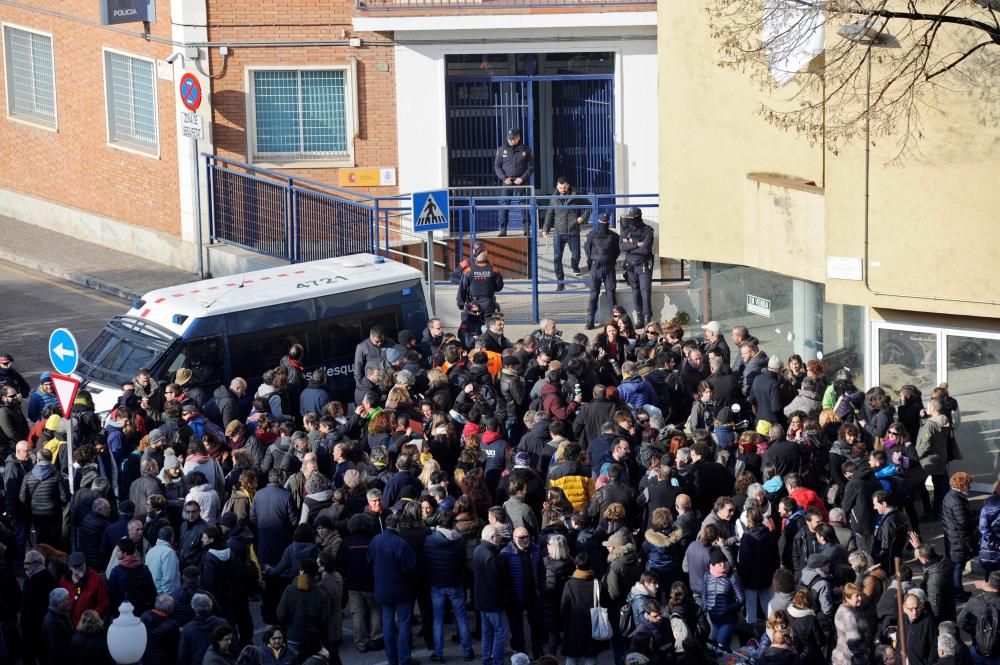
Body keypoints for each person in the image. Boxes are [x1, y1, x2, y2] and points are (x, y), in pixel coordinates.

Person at [424, 510, 475, 662]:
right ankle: (467, 651)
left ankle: (438, 653)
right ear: (452, 523)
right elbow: (462, 560)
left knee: (438, 620)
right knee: (461, 618)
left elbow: (427, 560)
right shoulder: (459, 541)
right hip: (455, 583)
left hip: (437, 583)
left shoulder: (429, 540)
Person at [369, 512, 417, 665]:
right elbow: (410, 567)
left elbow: (369, 561)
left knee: (388, 623)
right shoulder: (401, 543)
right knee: (403, 623)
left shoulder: (376, 540)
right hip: (401, 589)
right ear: (398, 525)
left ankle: (392, 659)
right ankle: (404, 658)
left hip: (382, 588)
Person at [542, 176, 591, 290]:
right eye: (560, 188)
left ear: (568, 186)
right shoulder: (554, 198)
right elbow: (549, 214)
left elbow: (589, 206)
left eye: (564, 187)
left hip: (573, 231)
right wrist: (545, 229)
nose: (562, 190)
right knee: (557, 258)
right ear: (556, 187)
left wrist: (583, 218)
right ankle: (560, 282)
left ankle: (574, 266)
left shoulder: (576, 195)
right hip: (559, 232)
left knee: (576, 255)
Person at [561, 552, 607, 665]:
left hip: (574, 626)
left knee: (572, 658)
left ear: (576, 566)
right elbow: (604, 603)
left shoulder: (569, 584)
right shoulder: (598, 584)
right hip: (593, 626)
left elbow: (563, 608)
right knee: (591, 658)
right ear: (591, 566)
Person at [474, 524, 509, 665]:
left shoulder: (478, 550)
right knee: (501, 632)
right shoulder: (491, 555)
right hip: (493, 602)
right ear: (493, 537)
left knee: (487, 631)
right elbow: (495, 582)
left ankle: (486, 658)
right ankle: (497, 661)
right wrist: (503, 600)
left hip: (481, 599)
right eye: (499, 536)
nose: (501, 539)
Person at [942, 471, 976, 599]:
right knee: (958, 567)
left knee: (956, 566)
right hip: (958, 540)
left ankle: (957, 591)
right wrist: (979, 517)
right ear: (962, 485)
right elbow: (963, 523)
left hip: (952, 537)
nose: (970, 487)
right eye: (968, 485)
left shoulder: (951, 496)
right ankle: (958, 593)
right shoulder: (956, 501)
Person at [618, 207, 654, 328]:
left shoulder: (648, 230)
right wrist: (637, 243)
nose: (632, 220)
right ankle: (639, 318)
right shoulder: (627, 229)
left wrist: (630, 244)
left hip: (643, 265)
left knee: (645, 292)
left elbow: (646, 249)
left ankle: (647, 317)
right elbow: (622, 246)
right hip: (630, 267)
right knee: (635, 291)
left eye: (634, 218)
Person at [494, 127, 533, 236]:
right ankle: (503, 229)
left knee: (524, 206)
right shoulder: (501, 150)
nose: (510, 140)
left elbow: (531, 167)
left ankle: (526, 229)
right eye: (509, 138)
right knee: (503, 206)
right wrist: (504, 178)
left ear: (518, 137)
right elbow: (497, 166)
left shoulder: (526, 150)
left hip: (521, 182)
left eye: (513, 138)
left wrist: (522, 178)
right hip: (507, 182)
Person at [584, 212, 620, 329]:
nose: (604, 223)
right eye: (603, 221)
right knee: (596, 293)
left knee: (610, 294)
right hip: (599, 267)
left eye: (605, 221)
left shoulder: (612, 236)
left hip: (604, 267)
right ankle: (591, 320)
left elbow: (616, 251)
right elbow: (588, 251)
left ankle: (612, 320)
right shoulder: (593, 235)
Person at [58, 551, 109, 627]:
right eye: (76, 567)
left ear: (85, 564)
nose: (79, 570)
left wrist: (91, 618)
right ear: (70, 567)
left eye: (81, 566)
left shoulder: (96, 580)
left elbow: (103, 603)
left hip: (90, 627)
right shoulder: (64, 582)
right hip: (71, 627)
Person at [178, 593, 230, 665]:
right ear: (210, 606)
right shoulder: (223, 623)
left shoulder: (188, 628)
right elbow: (232, 646)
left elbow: (182, 654)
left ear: (194, 608)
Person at [457, 242, 504, 319]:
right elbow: (499, 287)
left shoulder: (468, 270)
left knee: (473, 328)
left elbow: (462, 289)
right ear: (486, 253)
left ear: (475, 253)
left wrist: (460, 305)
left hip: (473, 304)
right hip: (489, 303)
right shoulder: (493, 269)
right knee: (489, 326)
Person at [832, 583, 872, 665]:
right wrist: (863, 657)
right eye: (857, 596)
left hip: (842, 655)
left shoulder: (846, 608)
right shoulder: (849, 615)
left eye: (860, 595)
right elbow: (853, 642)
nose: (860, 598)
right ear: (847, 597)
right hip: (850, 659)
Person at [141, 595, 182, 665]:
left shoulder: (145, 615)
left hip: (146, 658)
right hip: (164, 660)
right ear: (170, 608)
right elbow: (175, 646)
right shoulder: (171, 625)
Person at [899, 591, 937, 665]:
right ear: (904, 608)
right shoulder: (902, 619)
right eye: (911, 609)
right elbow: (899, 642)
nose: (914, 612)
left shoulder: (927, 621)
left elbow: (934, 645)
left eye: (917, 608)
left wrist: (928, 663)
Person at [40, 587, 74, 665]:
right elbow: (57, 650)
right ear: (58, 603)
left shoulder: (61, 616)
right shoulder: (53, 622)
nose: (70, 601)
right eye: (67, 599)